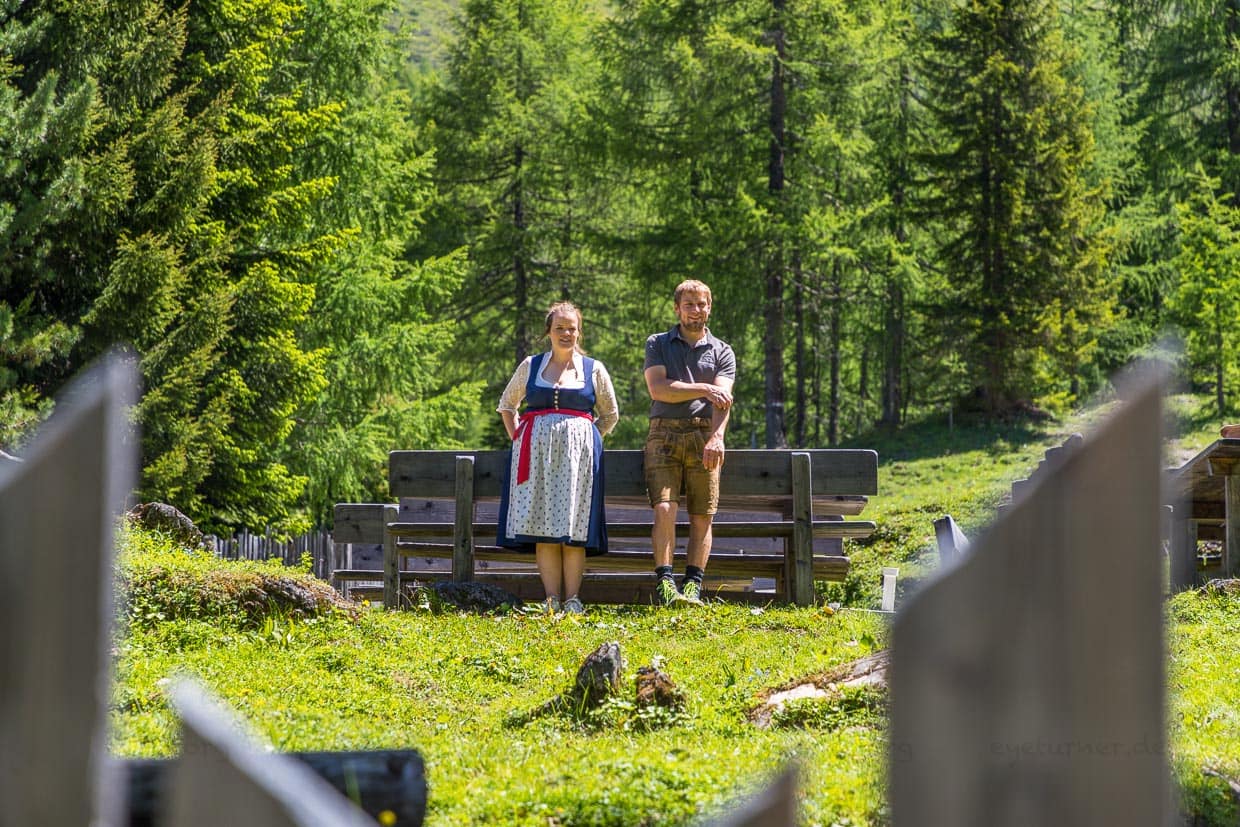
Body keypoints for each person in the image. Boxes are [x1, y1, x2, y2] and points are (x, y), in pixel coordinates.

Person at [496, 301, 619, 614]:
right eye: (560, 328)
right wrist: (519, 438)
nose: (567, 333)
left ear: (579, 332)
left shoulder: (594, 369)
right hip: (535, 459)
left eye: (572, 328)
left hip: (579, 464)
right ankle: (551, 599)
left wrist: (588, 440)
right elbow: (507, 405)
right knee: (544, 527)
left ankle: (573, 599)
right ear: (549, 332)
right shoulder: (531, 365)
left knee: (574, 529)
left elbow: (610, 414)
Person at [643, 279, 736, 606]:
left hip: (703, 436)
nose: (696, 310)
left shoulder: (722, 351)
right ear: (677, 308)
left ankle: (693, 586)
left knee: (702, 514)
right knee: (665, 507)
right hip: (663, 433)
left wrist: (717, 437)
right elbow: (659, 389)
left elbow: (723, 400)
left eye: (702, 304)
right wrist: (705, 389)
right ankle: (666, 585)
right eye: (689, 304)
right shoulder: (657, 343)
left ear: (709, 306)